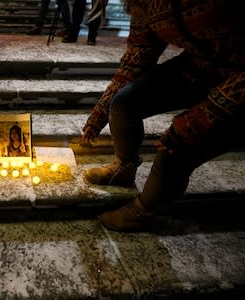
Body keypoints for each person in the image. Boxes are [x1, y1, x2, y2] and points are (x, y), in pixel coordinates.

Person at [81, 0, 245, 231]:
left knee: (178, 146)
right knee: (124, 103)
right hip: (200, 66)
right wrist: (102, 109)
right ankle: (124, 168)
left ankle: (144, 210)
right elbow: (139, 53)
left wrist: (203, 117)